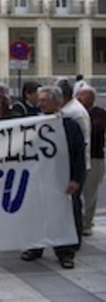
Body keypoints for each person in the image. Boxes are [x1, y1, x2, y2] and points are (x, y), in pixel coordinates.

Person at [21, 86, 85, 269]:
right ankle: (36, 247)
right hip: (40, 178)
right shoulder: (35, 123)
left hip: (62, 179)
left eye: (44, 100)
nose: (40, 103)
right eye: (39, 100)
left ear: (56, 102)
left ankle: (66, 252)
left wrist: (76, 179)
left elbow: (78, 154)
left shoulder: (70, 126)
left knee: (64, 214)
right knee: (38, 213)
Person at [77, 86, 106, 236]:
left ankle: (87, 223)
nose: (79, 98)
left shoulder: (99, 113)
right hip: (80, 158)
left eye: (82, 95)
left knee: (90, 193)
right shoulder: (76, 113)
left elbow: (97, 128)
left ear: (91, 98)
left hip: (95, 158)